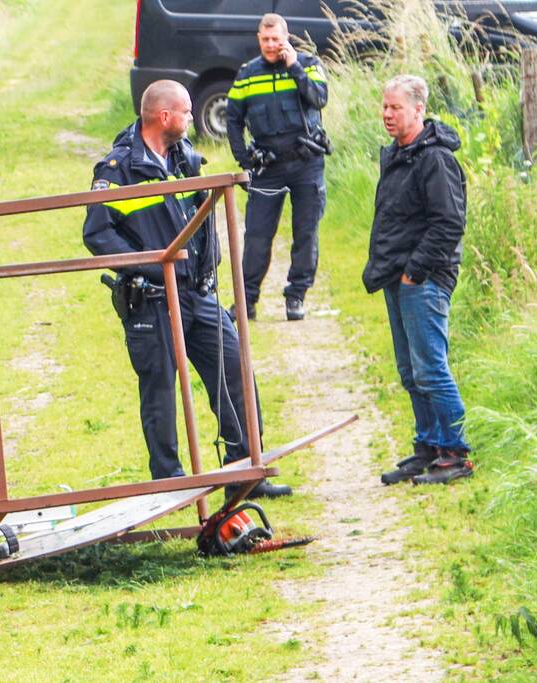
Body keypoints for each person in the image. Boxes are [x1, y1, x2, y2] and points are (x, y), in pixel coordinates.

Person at [82, 79, 291, 499]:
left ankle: (245, 472)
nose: (193, 119)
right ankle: (171, 484)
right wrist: (154, 265)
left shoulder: (184, 159)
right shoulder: (118, 169)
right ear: (165, 117)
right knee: (159, 389)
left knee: (233, 372)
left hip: (196, 293)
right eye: (187, 112)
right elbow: (98, 234)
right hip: (153, 299)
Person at [364, 75, 474, 486]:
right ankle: (428, 446)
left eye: (396, 107)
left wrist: (415, 273)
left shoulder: (435, 158)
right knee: (410, 370)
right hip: (396, 275)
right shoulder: (397, 154)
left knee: (431, 368)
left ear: (418, 110)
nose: (388, 114)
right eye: (385, 106)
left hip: (423, 279)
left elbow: (449, 223)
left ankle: (456, 452)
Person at [225, 12, 329, 322]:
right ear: (258, 39)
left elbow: (319, 98)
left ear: (286, 38)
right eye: (266, 39)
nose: (271, 45)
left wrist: (294, 66)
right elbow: (232, 119)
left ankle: (296, 296)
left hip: (306, 163)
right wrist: (244, 158)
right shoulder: (246, 74)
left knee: (305, 233)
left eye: (276, 39)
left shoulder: (308, 64)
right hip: (267, 168)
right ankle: (247, 303)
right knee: (257, 235)